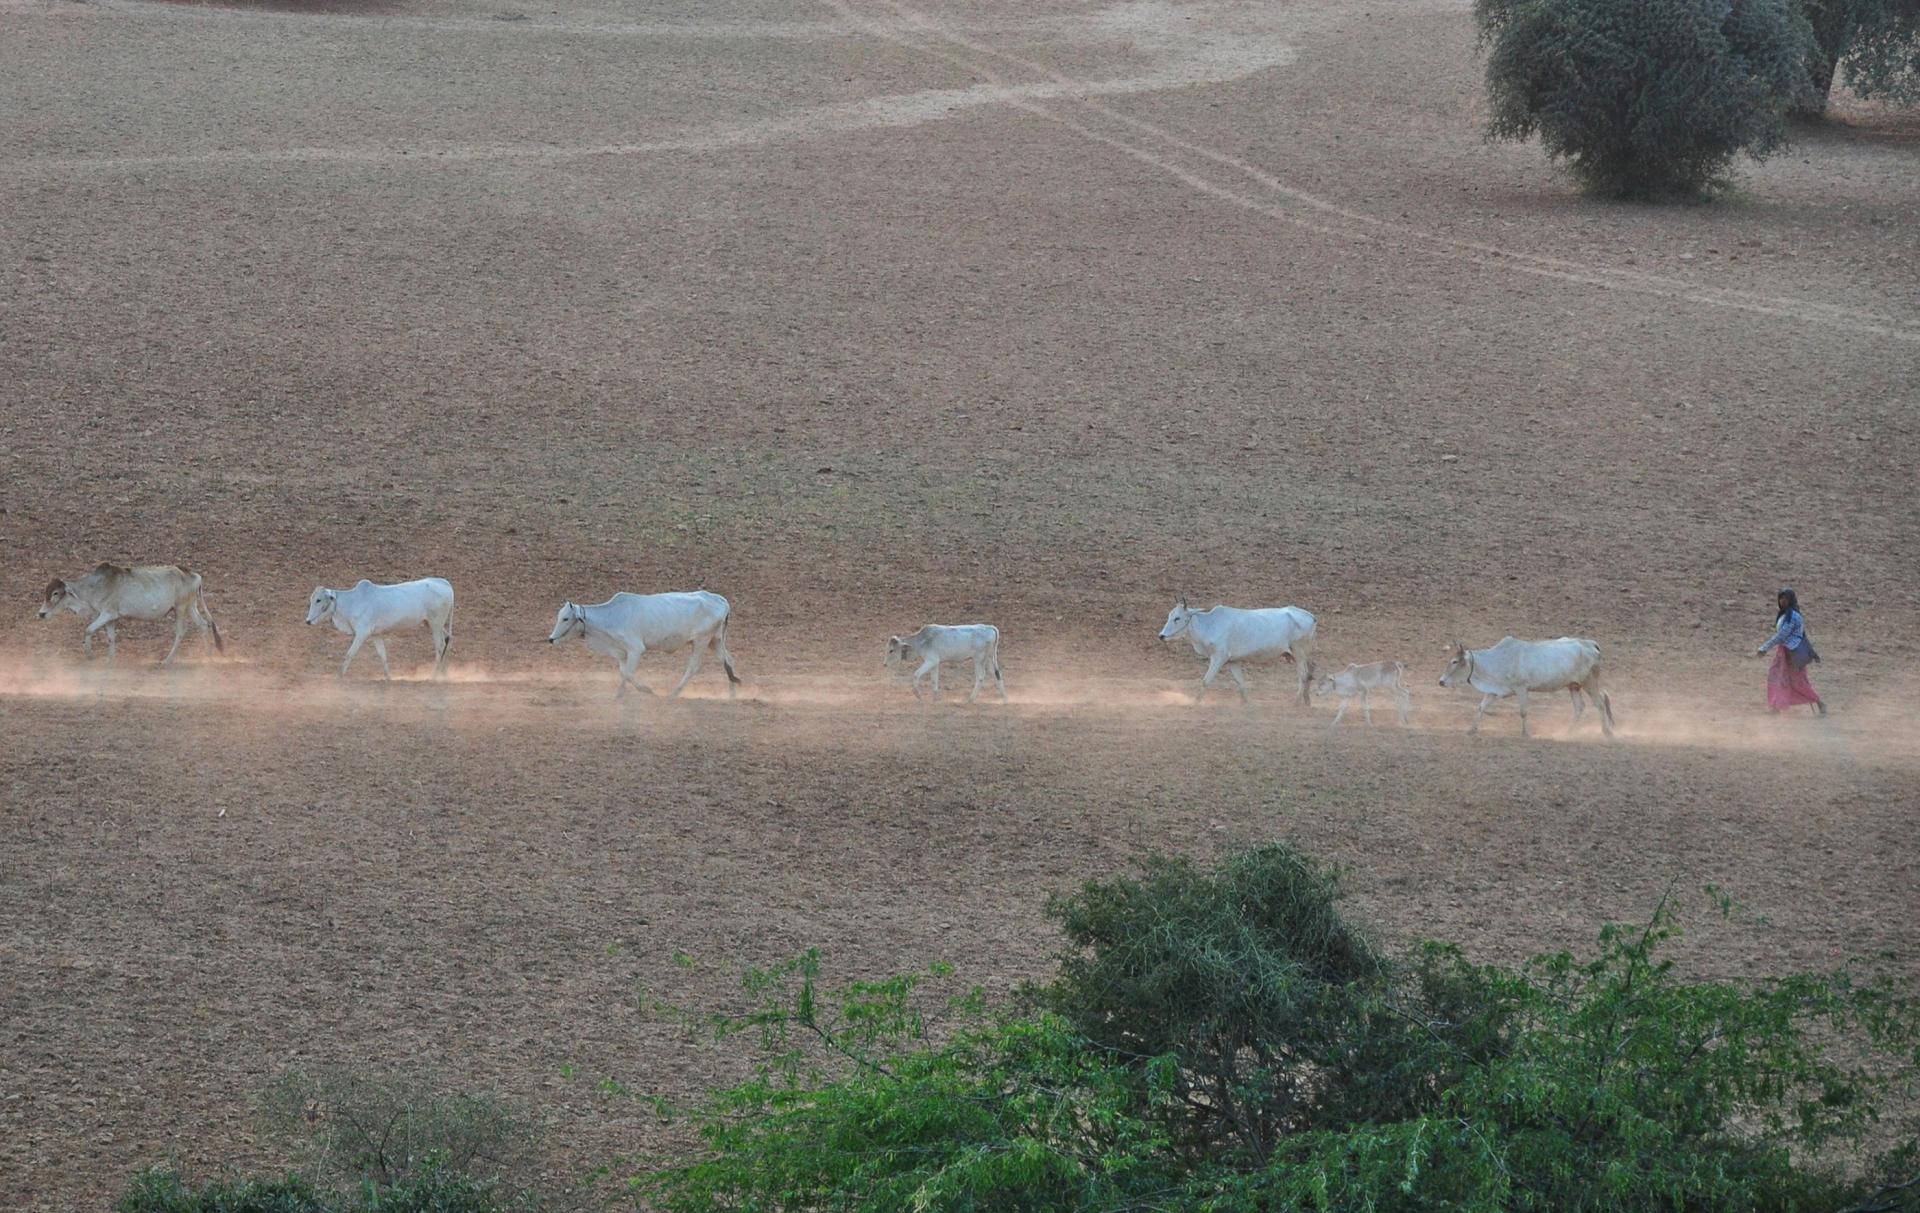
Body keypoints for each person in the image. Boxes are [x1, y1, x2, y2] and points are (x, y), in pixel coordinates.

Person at [1754, 588, 1825, 716]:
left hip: (1792, 654)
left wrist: (1764, 648)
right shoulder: (1785, 615)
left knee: (1797, 682)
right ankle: (1776, 707)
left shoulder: (1792, 617)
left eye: (1785, 598)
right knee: (1776, 677)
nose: (1782, 601)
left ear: (1791, 600)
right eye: (1781, 598)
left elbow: (1782, 636)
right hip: (1784, 652)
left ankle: (1819, 703)